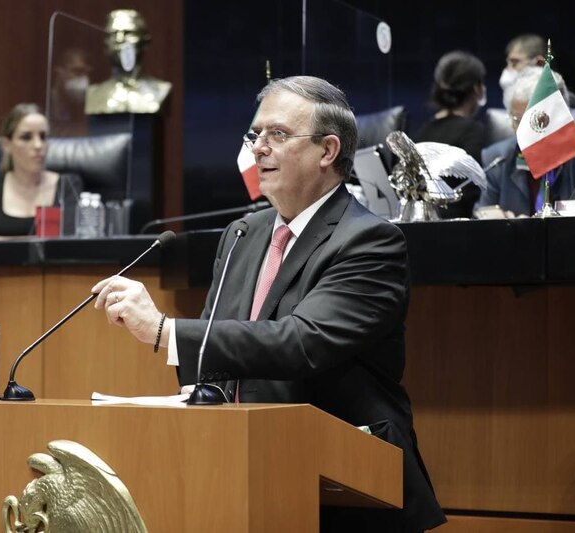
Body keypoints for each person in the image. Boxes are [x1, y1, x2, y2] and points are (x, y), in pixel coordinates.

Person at [91, 76, 446, 532]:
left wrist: (164, 331)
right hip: (243, 472)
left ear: (327, 151)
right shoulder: (243, 234)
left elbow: (303, 342)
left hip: (349, 490)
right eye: (255, 134)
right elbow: (216, 356)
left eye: (277, 134)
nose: (258, 148)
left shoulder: (370, 241)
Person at [0, 103, 81, 241]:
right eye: (26, 137)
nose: (38, 145)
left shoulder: (67, 184)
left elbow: (68, 243)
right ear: (6, 145)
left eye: (43, 136)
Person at [477, 66, 575, 217]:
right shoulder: (496, 159)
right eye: (519, 120)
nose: (526, 131)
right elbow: (481, 216)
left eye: (538, 121)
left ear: (562, 115)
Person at [415, 50, 486, 219]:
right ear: (477, 89)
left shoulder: (423, 131)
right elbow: (476, 190)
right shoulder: (474, 131)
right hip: (460, 226)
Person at [84, 9, 171, 115]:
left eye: (128, 33)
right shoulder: (94, 94)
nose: (119, 39)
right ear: (105, 43)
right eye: (113, 34)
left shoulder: (160, 91)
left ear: (145, 42)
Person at [499, 34, 575, 108]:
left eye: (515, 62)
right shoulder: (515, 102)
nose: (508, 69)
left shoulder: (565, 103)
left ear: (539, 63)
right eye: (508, 63)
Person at [48, 47, 93, 137]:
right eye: (77, 71)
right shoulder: (47, 101)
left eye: (86, 73)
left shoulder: (87, 104)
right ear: (59, 72)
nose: (84, 79)